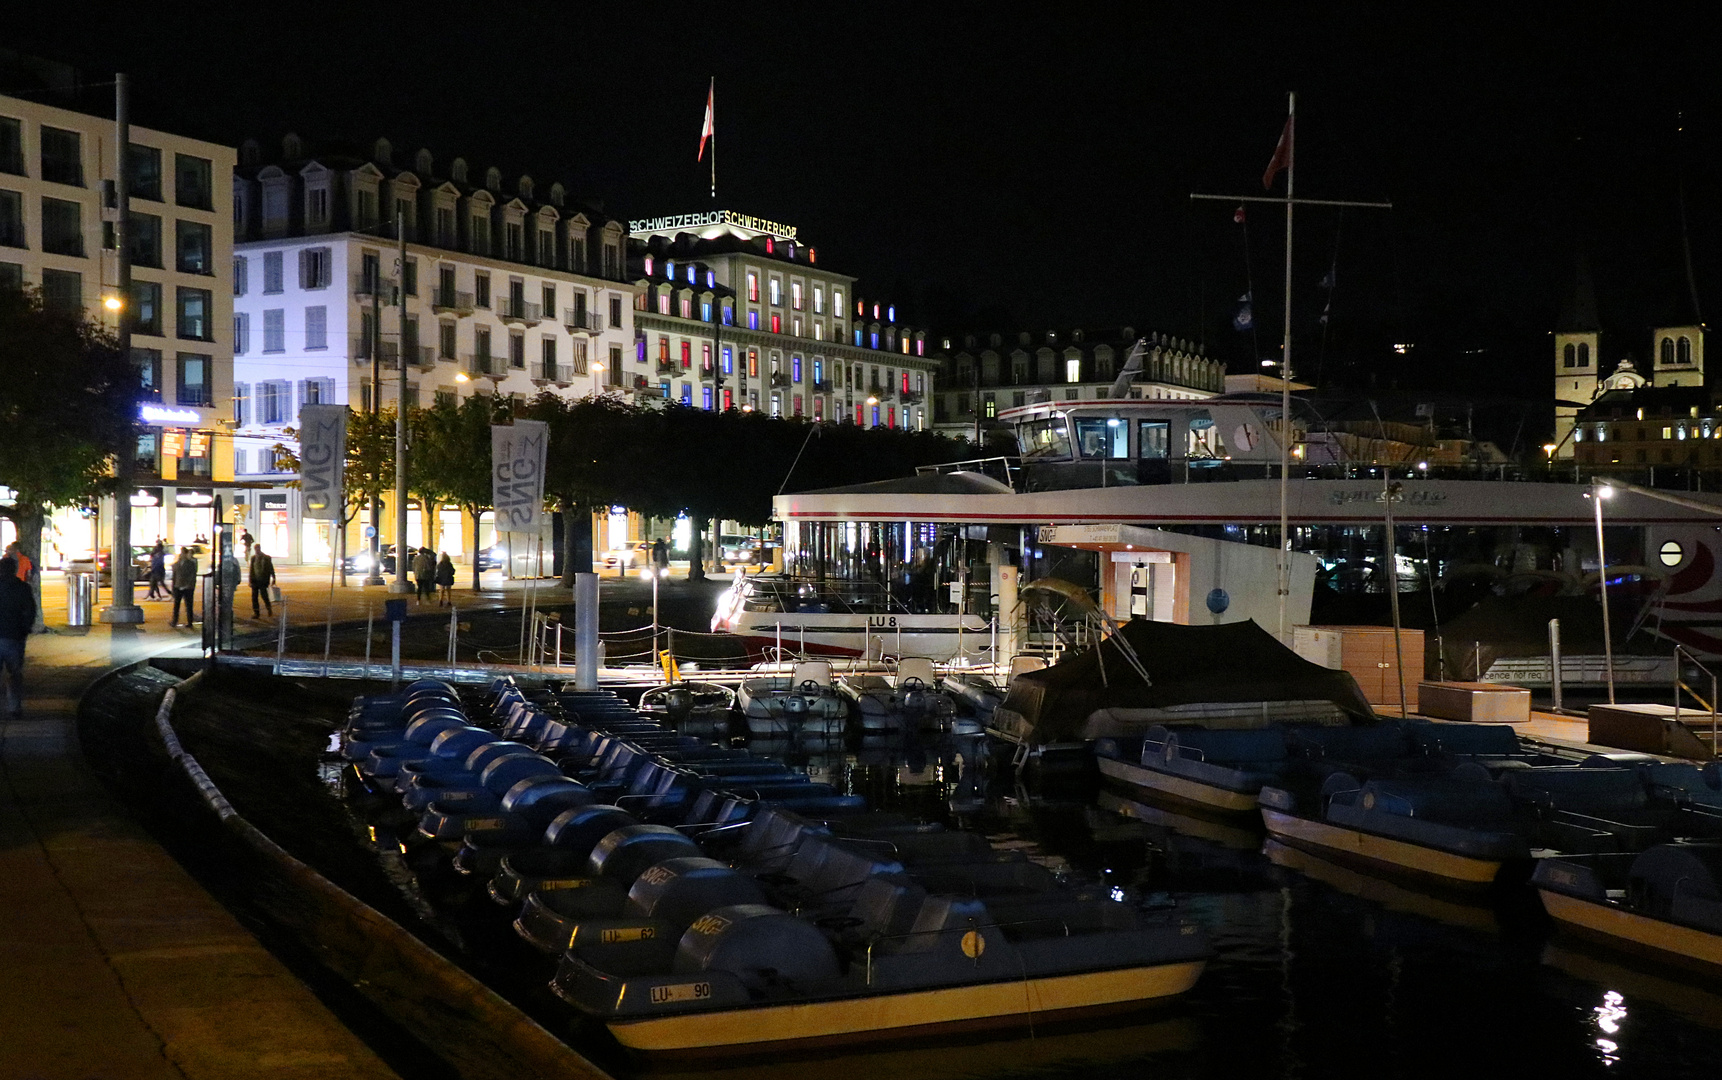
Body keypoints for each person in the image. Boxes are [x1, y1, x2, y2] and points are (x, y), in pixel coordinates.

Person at [0, 556, 34, 720]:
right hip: (14, 638)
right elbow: (30, 612)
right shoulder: (23, 588)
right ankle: (14, 707)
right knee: (14, 674)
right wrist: (25, 630)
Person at [171, 547, 198, 627]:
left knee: (189, 606)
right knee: (176, 605)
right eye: (181, 553)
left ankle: (190, 622)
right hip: (178, 587)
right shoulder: (176, 564)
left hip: (187, 588)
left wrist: (189, 585)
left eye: (183, 553)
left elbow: (192, 576)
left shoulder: (191, 564)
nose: (181, 554)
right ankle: (174, 621)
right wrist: (174, 588)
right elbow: (174, 577)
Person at [248, 545, 277, 618]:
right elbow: (251, 570)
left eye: (258, 548)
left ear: (260, 549)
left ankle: (269, 608)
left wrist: (273, 578)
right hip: (255, 580)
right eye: (256, 549)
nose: (257, 550)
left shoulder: (266, 558)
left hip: (263, 580)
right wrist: (250, 580)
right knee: (254, 597)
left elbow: (271, 568)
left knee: (264, 596)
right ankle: (256, 613)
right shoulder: (253, 558)